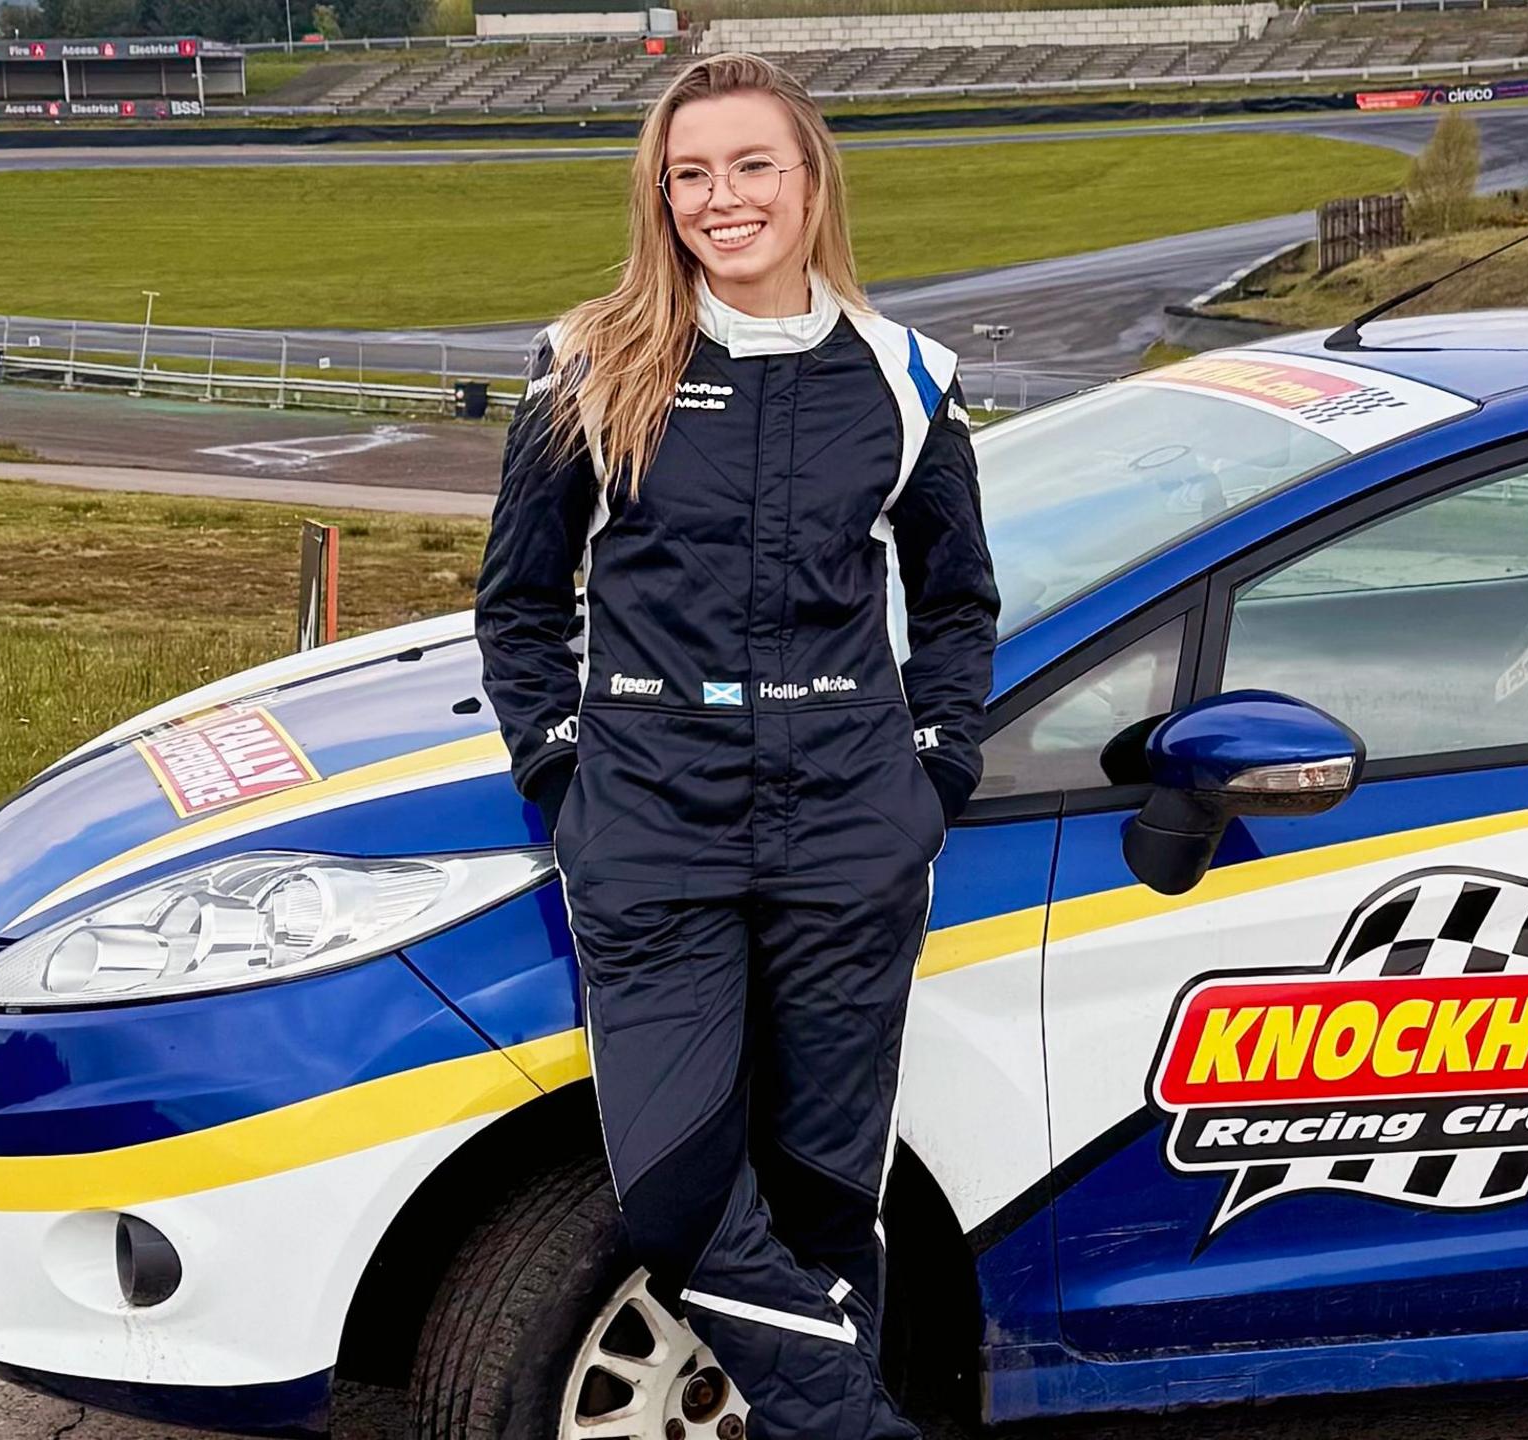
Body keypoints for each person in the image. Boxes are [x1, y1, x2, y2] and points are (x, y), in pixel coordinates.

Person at [473, 51, 997, 1440]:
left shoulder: (906, 377)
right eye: (690, 172)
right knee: (679, 1190)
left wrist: (934, 773)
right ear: (661, 194)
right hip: (651, 816)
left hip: (847, 821)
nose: (722, 198)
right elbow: (520, 602)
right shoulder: (592, 362)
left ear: (811, 179)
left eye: (752, 165)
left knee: (828, 1190)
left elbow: (955, 598)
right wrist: (559, 769)